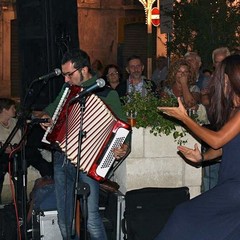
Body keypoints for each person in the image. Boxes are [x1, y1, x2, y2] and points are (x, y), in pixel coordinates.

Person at [39, 49, 130, 240]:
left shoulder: (106, 93)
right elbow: (51, 109)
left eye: (69, 74)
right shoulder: (67, 90)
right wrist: (45, 117)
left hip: (89, 164)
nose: (65, 80)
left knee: (91, 219)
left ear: (84, 69)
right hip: (62, 158)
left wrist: (123, 147)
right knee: (64, 220)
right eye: (64, 75)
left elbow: (122, 128)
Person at [155, 54, 240, 240]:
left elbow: (217, 140)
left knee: (184, 214)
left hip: (236, 188)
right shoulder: (233, 110)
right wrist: (203, 157)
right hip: (230, 184)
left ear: (229, 79)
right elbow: (225, 146)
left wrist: (184, 118)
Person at [0, 98, 53, 204]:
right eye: (12, 108)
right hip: (3, 155)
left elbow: (23, 139)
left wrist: (18, 147)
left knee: (31, 155)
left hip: (17, 152)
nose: (15, 110)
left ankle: (22, 200)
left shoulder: (16, 122)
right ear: (4, 110)